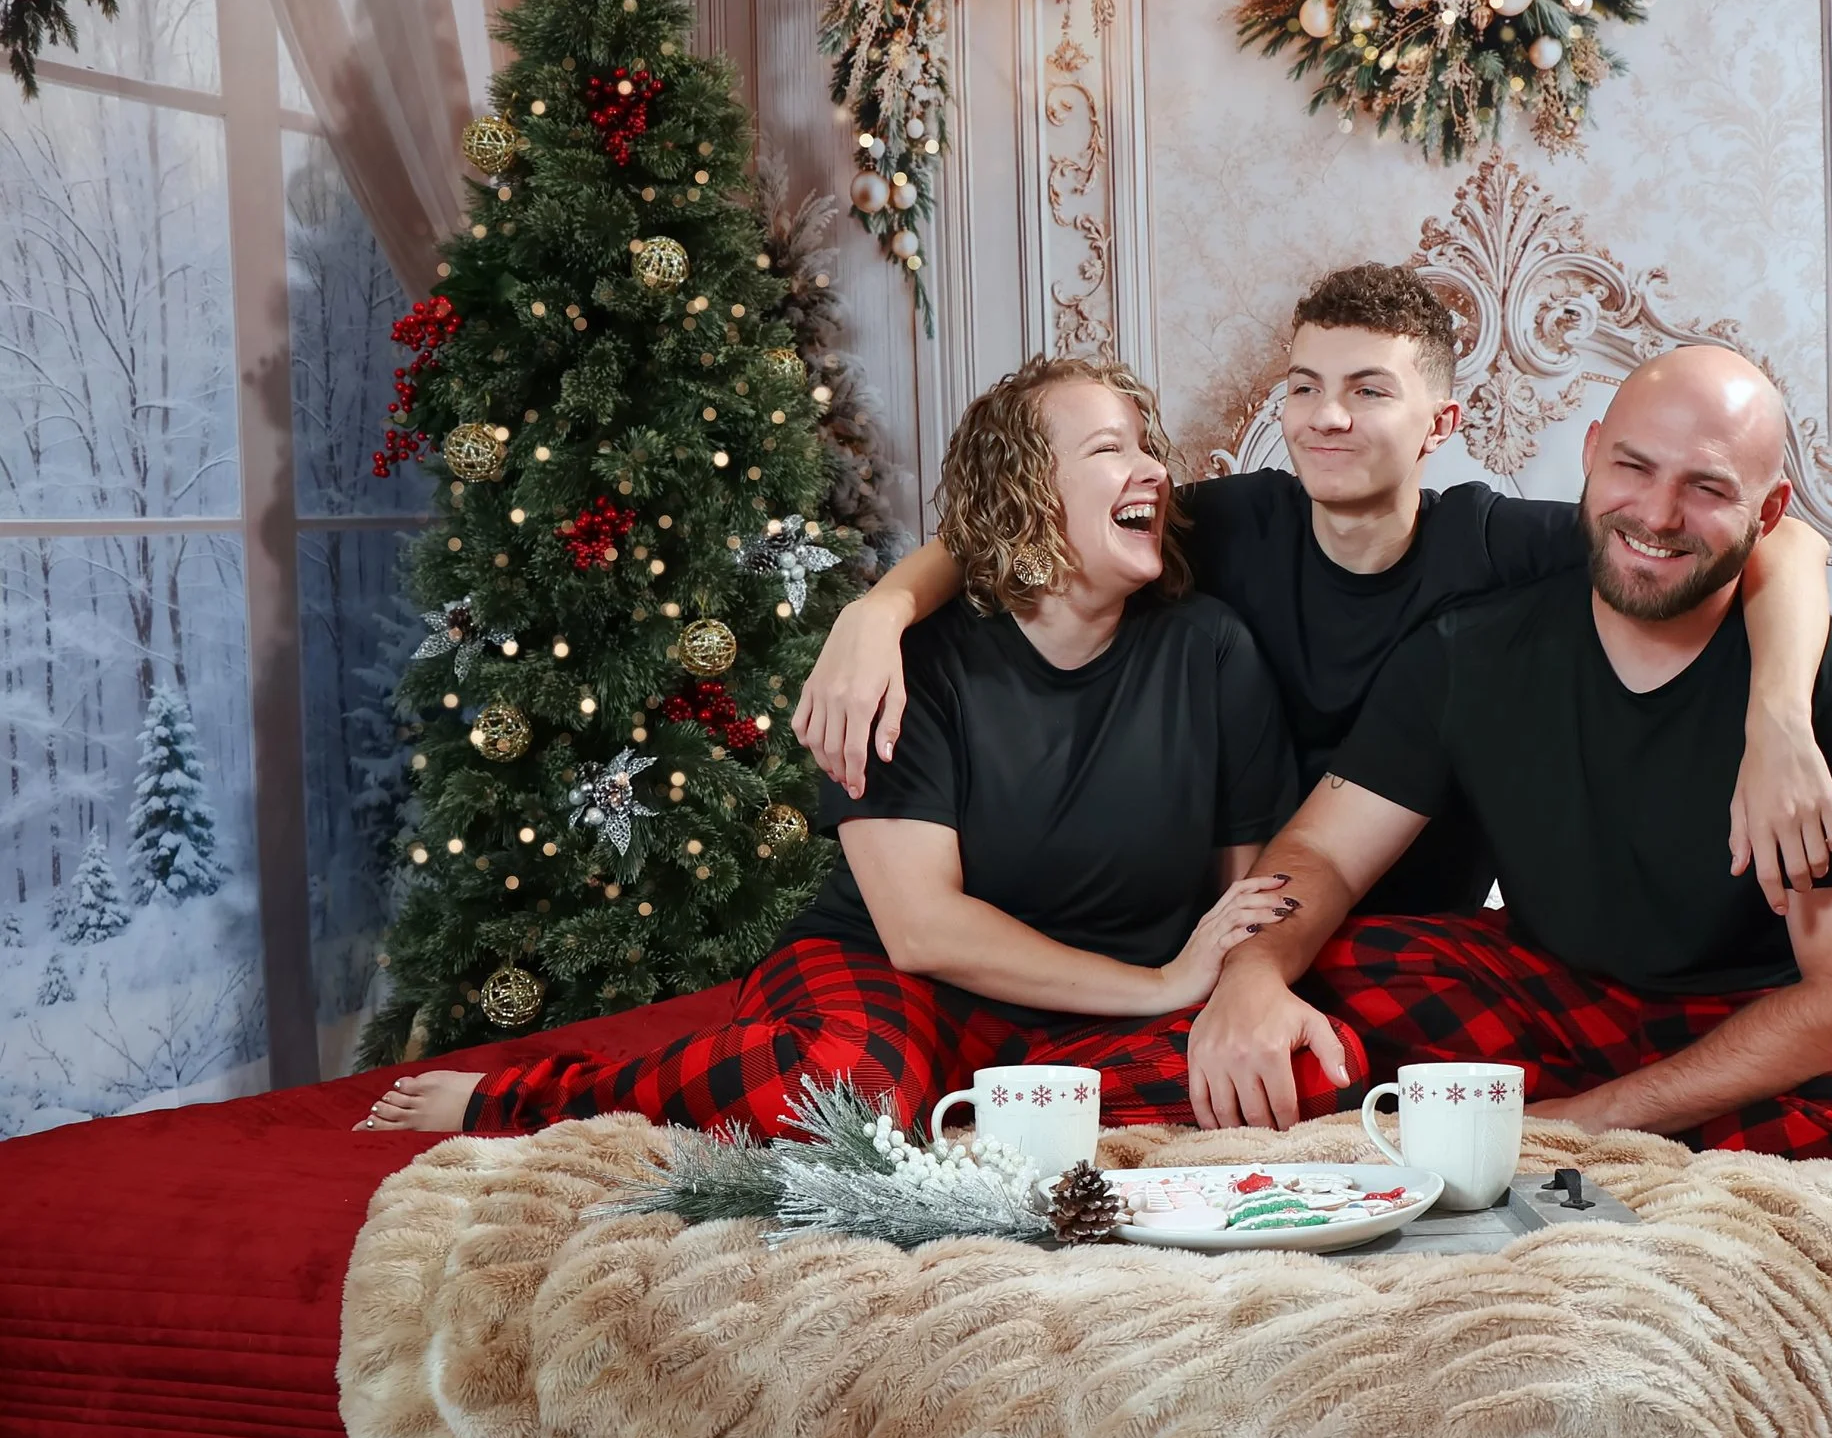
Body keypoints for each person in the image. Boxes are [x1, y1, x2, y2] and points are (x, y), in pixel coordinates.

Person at [798, 265, 1832, 1104]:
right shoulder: (1220, 528)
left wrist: (1779, 718)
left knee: (1359, 1072)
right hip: (1249, 919)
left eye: (1368, 389)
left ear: (1440, 423)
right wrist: (881, 607)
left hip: (1387, 935)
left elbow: (1779, 542)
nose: (1326, 416)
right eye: (1303, 386)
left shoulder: (1503, 546)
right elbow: (1022, 519)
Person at [361, 355, 1342, 1136]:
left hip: (1095, 1001)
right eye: (1104, 449)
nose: (1151, 469)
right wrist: (1163, 986)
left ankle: (978, 1099)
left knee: (1291, 1059)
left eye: (1145, 447)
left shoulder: (1213, 650)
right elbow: (922, 928)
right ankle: (539, 1097)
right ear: (1024, 493)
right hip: (894, 975)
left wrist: (1207, 990)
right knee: (846, 1083)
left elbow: (1240, 898)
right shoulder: (913, 664)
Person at [1186, 346, 1832, 1204]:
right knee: (1327, 971)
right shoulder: (1470, 648)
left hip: (1747, 1020)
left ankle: (1529, 1139)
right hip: (1546, 999)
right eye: (1633, 467)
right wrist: (1253, 975)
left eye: (1708, 488)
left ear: (1771, 511)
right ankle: (1620, 1146)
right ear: (1591, 453)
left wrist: (1584, 1122)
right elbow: (1325, 853)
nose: (1658, 512)